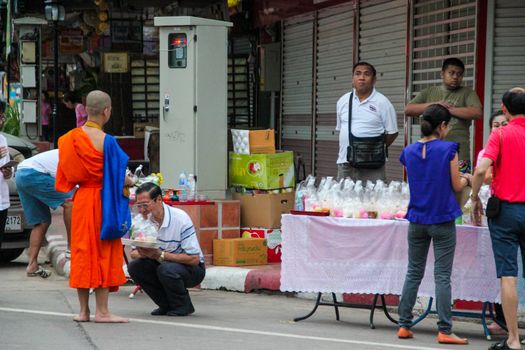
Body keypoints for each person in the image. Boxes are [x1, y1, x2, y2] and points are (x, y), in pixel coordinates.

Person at [397, 104, 470, 345]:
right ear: (442, 126)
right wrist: (468, 178)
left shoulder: (408, 151)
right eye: (448, 125)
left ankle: (404, 325)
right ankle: (445, 329)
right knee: (442, 275)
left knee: (413, 271)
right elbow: (457, 185)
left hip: (417, 218)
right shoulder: (449, 148)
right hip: (442, 218)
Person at [56, 90, 130, 323]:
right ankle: (103, 311)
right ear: (106, 111)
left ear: (86, 110)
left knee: (81, 251)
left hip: (81, 200)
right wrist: (131, 181)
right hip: (104, 201)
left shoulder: (69, 139)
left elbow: (65, 176)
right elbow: (119, 177)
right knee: (103, 251)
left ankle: (83, 312)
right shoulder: (108, 142)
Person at [471, 88, 525, 350]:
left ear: (504, 109)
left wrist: (474, 197)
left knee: (508, 276)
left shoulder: (500, 133)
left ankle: (513, 339)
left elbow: (481, 169)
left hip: (505, 211)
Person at [128, 182, 206, 316]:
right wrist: (144, 253)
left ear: (158, 199)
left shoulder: (180, 219)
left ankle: (183, 305)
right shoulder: (142, 221)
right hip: (160, 263)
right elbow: (134, 253)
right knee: (135, 267)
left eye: (145, 205)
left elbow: (194, 258)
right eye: (138, 206)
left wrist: (160, 255)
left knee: (166, 269)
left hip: (191, 269)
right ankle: (165, 304)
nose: (142, 210)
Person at [404, 57, 482, 174]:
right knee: (433, 186)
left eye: (459, 74)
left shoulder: (467, 93)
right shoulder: (429, 91)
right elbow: (408, 109)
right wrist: (435, 104)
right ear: (442, 74)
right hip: (431, 152)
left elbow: (477, 113)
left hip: (459, 154)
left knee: (460, 188)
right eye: (451, 73)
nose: (455, 77)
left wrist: (449, 110)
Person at [16, 149, 74, 278]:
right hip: (34, 174)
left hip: (21, 174)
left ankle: (32, 266)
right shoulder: (75, 156)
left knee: (42, 221)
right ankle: (71, 248)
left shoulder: (67, 150)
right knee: (70, 204)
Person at [336, 62, 398, 181]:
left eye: (366, 74)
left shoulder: (383, 102)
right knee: (343, 199)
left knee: (374, 199)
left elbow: (393, 133)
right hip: (346, 163)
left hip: (373, 165)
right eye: (357, 74)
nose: (361, 77)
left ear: (374, 80)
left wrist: (374, 148)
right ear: (352, 79)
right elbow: (341, 130)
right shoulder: (342, 101)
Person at [475, 111, 508, 335]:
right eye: (495, 125)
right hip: (490, 208)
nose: (499, 128)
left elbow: (486, 174)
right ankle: (498, 316)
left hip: (508, 207)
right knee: (494, 267)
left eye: (504, 124)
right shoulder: (485, 152)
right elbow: (483, 175)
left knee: (509, 268)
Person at [0, 109, 12, 248]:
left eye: (2, 117)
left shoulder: (2, 139)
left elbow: (5, 165)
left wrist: (9, 172)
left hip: (2, 201)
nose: (1, 121)